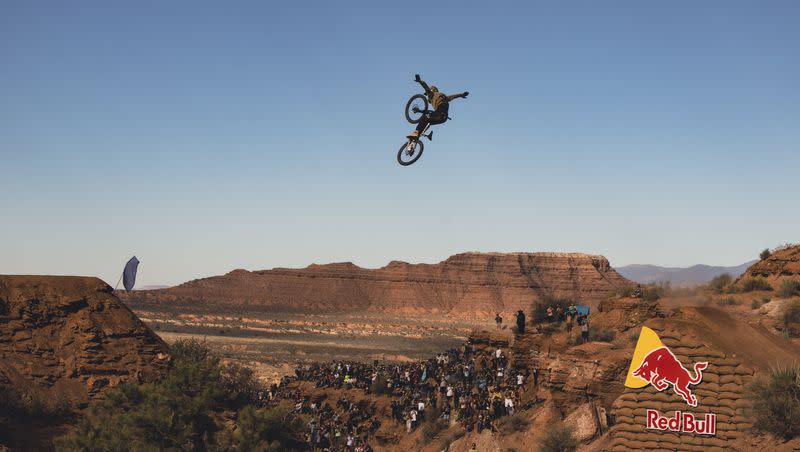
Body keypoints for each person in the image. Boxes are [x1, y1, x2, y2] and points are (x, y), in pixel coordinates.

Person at [408, 74, 468, 139]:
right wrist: (461, 95)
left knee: (427, 116)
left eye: (427, 94)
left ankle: (416, 132)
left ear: (432, 90)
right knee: (428, 119)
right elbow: (452, 96)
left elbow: (426, 88)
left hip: (440, 111)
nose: (427, 96)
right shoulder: (443, 96)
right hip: (443, 118)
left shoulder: (432, 94)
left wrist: (420, 81)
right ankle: (417, 138)